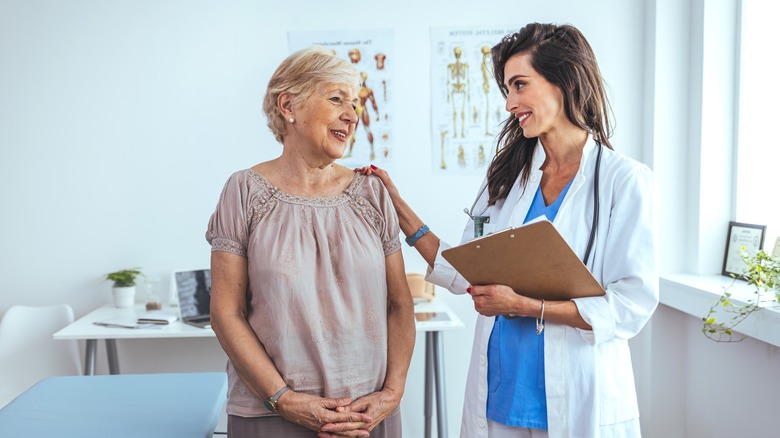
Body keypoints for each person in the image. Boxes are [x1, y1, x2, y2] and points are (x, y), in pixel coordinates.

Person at [359, 23, 658, 438]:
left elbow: (631, 303)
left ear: (565, 80)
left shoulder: (622, 180)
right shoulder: (509, 175)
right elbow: (466, 269)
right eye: (506, 89)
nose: (509, 103)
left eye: (520, 85)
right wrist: (396, 204)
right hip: (499, 394)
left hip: (576, 397)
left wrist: (527, 306)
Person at [205, 46, 415, 438]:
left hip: (366, 418)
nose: (352, 115)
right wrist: (284, 399)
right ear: (289, 106)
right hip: (271, 415)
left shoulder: (372, 193)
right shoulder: (244, 192)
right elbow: (225, 314)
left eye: (354, 104)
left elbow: (399, 303)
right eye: (337, 99)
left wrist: (392, 393)